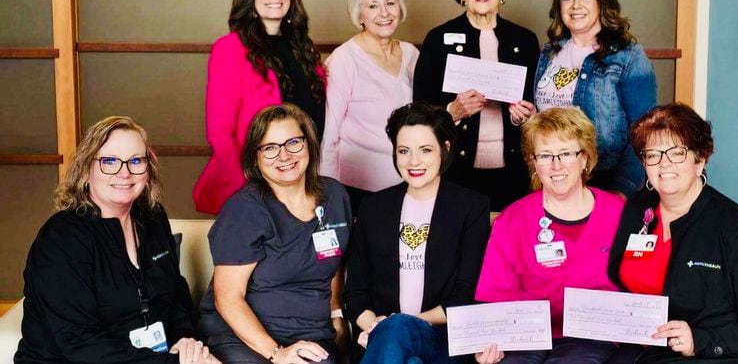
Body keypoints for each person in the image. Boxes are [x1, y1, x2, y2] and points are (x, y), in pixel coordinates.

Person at [15, 116, 218, 363]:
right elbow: (80, 343)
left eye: (135, 161)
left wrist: (184, 339)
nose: (124, 172)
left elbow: (174, 292)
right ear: (86, 169)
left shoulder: (153, 218)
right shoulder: (61, 237)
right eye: (109, 161)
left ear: (148, 169)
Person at [607, 103, 738, 363]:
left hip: (717, 355)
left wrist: (701, 340)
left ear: (700, 159)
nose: (664, 164)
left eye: (677, 153)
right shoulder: (638, 207)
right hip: (650, 348)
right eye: (653, 154)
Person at [198, 104, 352, 363]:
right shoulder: (244, 209)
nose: (284, 156)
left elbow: (335, 260)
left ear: (309, 144)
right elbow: (228, 298)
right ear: (255, 157)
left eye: (293, 142)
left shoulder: (335, 195)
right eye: (270, 148)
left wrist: (336, 313)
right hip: (241, 336)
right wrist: (276, 353)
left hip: (311, 333)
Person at [475, 107, 625, 363]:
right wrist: (487, 342)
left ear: (586, 158)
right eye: (545, 155)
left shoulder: (620, 213)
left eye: (566, 153)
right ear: (533, 163)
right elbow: (495, 297)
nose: (556, 166)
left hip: (591, 336)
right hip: (525, 335)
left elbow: (639, 286)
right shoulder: (513, 219)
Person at [344, 102, 491, 363]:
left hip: (442, 340)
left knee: (398, 329)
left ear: (445, 149)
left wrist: (396, 324)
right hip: (378, 336)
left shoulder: (470, 207)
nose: (414, 161)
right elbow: (356, 291)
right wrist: (376, 326)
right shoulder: (373, 207)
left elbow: (465, 294)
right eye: (404, 151)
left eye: (425, 150)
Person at [413, 0, 540, 211]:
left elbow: (536, 104)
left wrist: (527, 117)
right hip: (455, 171)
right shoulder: (438, 39)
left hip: (512, 171)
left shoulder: (525, 41)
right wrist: (452, 111)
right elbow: (419, 111)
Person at [193, 0, 326, 215]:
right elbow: (219, 134)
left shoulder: (304, 50)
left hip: (301, 184)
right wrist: (253, 191)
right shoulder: (230, 49)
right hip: (254, 189)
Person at [522, 0, 656, 198]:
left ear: (602, 2)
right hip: (553, 179)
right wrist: (530, 116)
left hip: (606, 180)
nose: (576, 6)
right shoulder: (549, 52)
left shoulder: (629, 56)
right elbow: (548, 115)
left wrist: (622, 190)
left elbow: (645, 131)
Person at [320, 0, 420, 213]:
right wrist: (328, 194)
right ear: (360, 15)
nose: (383, 13)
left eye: (390, 3)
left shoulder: (411, 55)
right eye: (373, 6)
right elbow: (329, 134)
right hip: (355, 188)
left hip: (406, 182)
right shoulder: (344, 58)